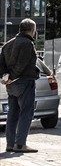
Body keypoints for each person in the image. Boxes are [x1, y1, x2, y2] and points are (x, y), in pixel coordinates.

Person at [2, 18, 41, 153]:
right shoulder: (27, 44)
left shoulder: (7, 45)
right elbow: (22, 64)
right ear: (32, 30)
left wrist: (6, 77)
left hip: (11, 84)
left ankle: (10, 144)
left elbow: (1, 64)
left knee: (12, 113)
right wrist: (12, 76)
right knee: (26, 113)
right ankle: (20, 144)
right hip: (25, 81)